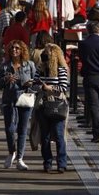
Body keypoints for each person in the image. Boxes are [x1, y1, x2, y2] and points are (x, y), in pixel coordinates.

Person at [0, 39, 37, 171]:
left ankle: (20, 158)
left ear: (22, 50)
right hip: (9, 99)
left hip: (24, 97)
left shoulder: (29, 65)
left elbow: (36, 82)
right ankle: (11, 152)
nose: (14, 50)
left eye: (17, 48)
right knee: (9, 129)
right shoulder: (5, 66)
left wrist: (29, 83)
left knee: (22, 129)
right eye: (12, 48)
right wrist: (6, 79)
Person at [35, 43, 70, 173]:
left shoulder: (61, 69)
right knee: (45, 136)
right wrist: (37, 86)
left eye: (47, 54)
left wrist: (50, 88)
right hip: (43, 104)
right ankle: (47, 162)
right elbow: (35, 84)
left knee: (59, 135)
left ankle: (61, 163)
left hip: (57, 104)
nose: (45, 56)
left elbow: (63, 87)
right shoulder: (41, 68)